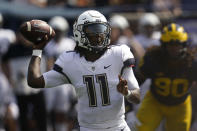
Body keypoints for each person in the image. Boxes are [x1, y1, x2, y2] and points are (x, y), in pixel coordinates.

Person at [26, 10, 140, 131]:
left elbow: (137, 97)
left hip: (118, 127)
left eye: (101, 29)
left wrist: (126, 93)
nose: (99, 35)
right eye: (93, 30)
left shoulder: (119, 54)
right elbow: (34, 81)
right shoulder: (70, 61)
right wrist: (37, 50)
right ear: (79, 33)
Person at [135, 23, 196, 131]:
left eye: (177, 45)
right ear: (163, 44)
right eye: (170, 45)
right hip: (155, 102)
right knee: (142, 129)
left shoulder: (191, 63)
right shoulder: (153, 58)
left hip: (180, 105)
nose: (174, 49)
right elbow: (137, 80)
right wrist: (127, 102)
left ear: (184, 45)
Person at [44, 16, 78, 131]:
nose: (57, 33)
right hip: (51, 80)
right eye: (56, 31)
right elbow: (48, 64)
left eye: (59, 31)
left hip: (66, 80)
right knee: (48, 109)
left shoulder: (70, 43)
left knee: (64, 109)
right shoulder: (47, 45)